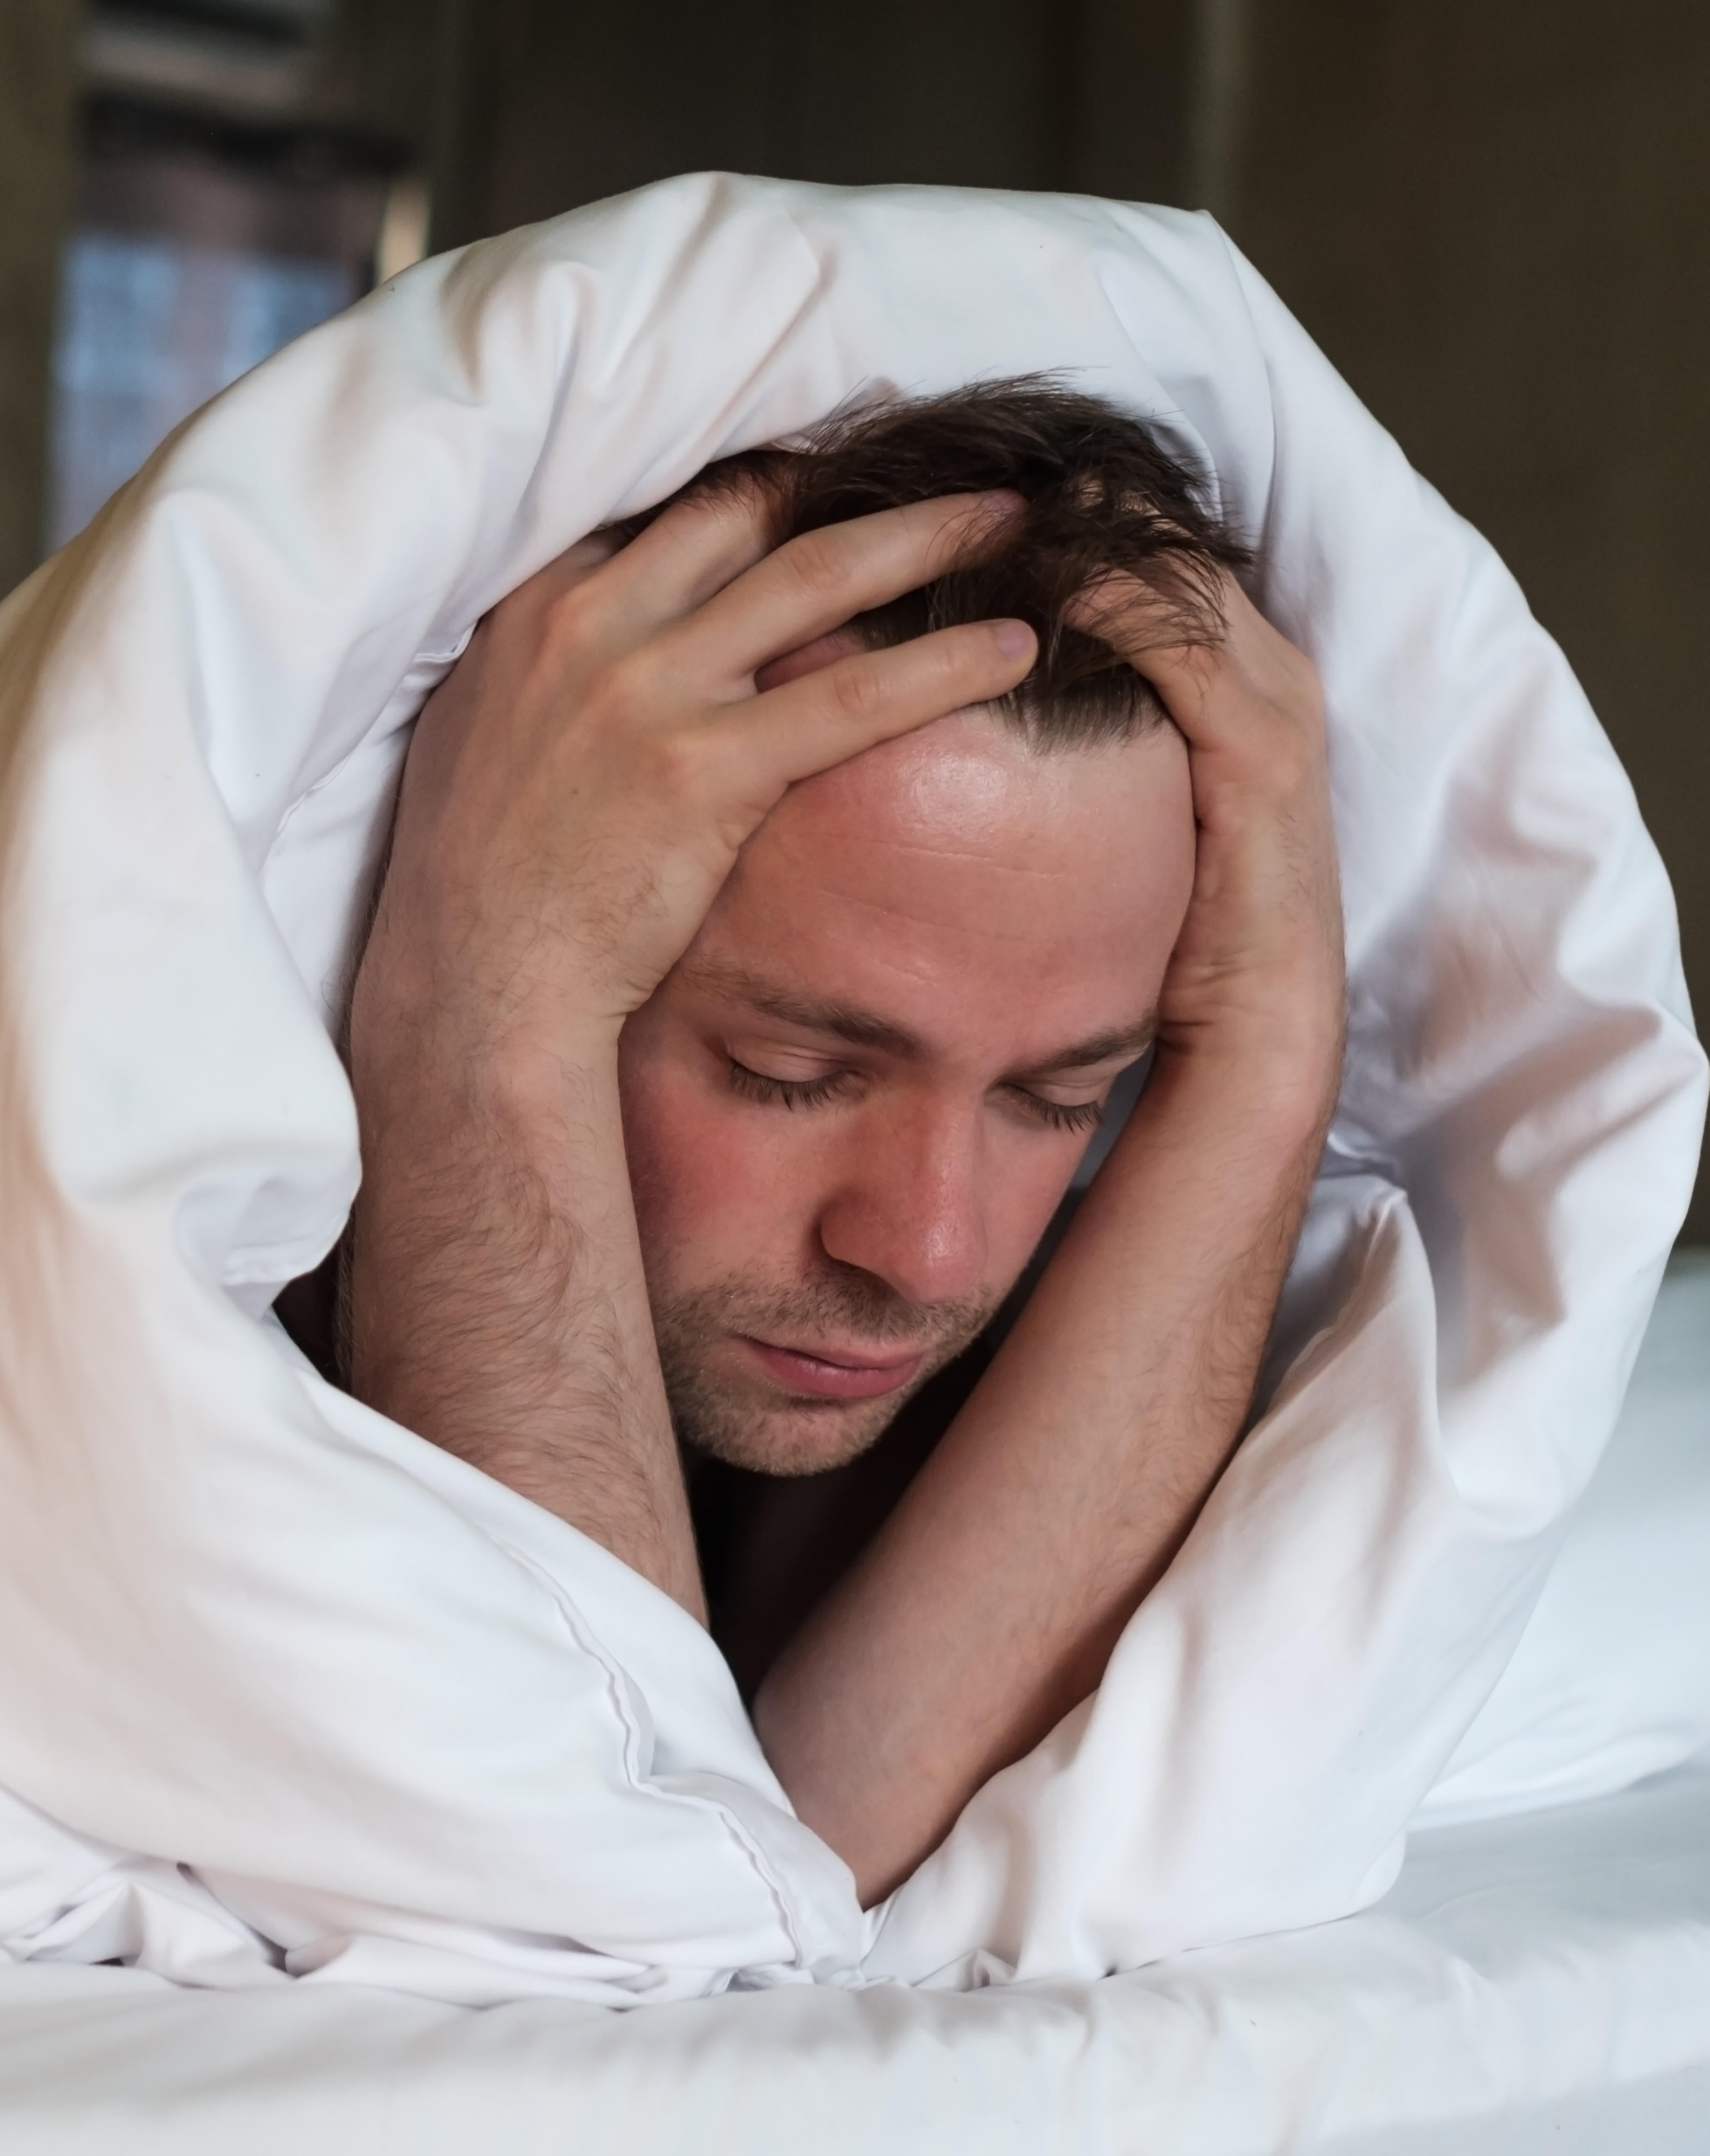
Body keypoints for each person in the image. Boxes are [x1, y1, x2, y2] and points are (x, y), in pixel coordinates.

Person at [311, 381, 1349, 1903]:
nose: (930, 1254)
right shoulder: (154, 1302)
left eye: (1062, 1098)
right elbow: (613, 1880)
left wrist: (1269, 1058)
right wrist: (477, 1007)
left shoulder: (958, 1351)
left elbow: (755, 1903)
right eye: (789, 1070)